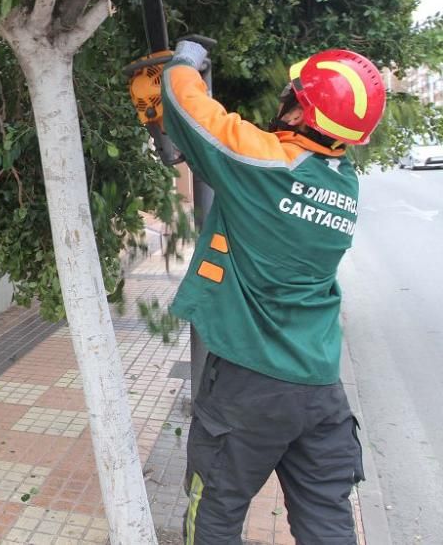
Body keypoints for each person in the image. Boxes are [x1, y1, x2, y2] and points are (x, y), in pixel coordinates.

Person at [151, 40, 386, 544]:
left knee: (214, 510)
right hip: (321, 389)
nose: (283, 99)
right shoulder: (344, 183)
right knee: (328, 523)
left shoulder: (267, 166)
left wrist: (185, 59)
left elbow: (187, 105)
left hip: (249, 387)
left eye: (291, 93)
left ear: (303, 109)